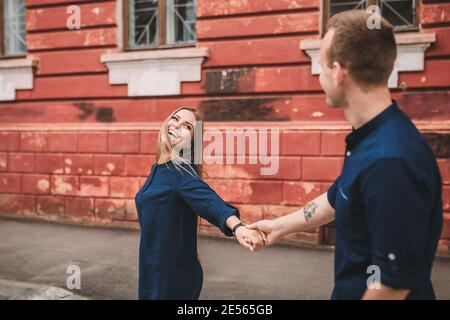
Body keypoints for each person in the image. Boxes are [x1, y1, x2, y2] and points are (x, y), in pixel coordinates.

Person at [248, 10, 443, 300]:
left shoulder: (390, 161)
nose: (320, 75)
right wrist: (278, 227)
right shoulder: (370, 138)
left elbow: (391, 286)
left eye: (322, 66)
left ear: (339, 72)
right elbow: (340, 197)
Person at [135, 107, 266, 300]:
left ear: (192, 141)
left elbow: (211, 202)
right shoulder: (159, 168)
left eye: (187, 126)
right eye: (175, 119)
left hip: (171, 277)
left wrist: (238, 227)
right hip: (151, 270)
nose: (177, 126)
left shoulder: (181, 173)